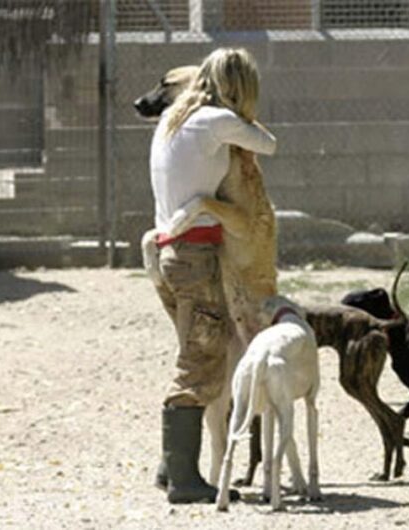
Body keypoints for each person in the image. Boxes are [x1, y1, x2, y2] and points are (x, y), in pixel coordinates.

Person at [148, 47, 276, 504]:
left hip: (168, 253)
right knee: (202, 363)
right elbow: (269, 144)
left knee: (193, 351)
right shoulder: (212, 120)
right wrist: (241, 112)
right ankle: (184, 480)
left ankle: (170, 467)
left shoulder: (173, 120)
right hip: (196, 255)